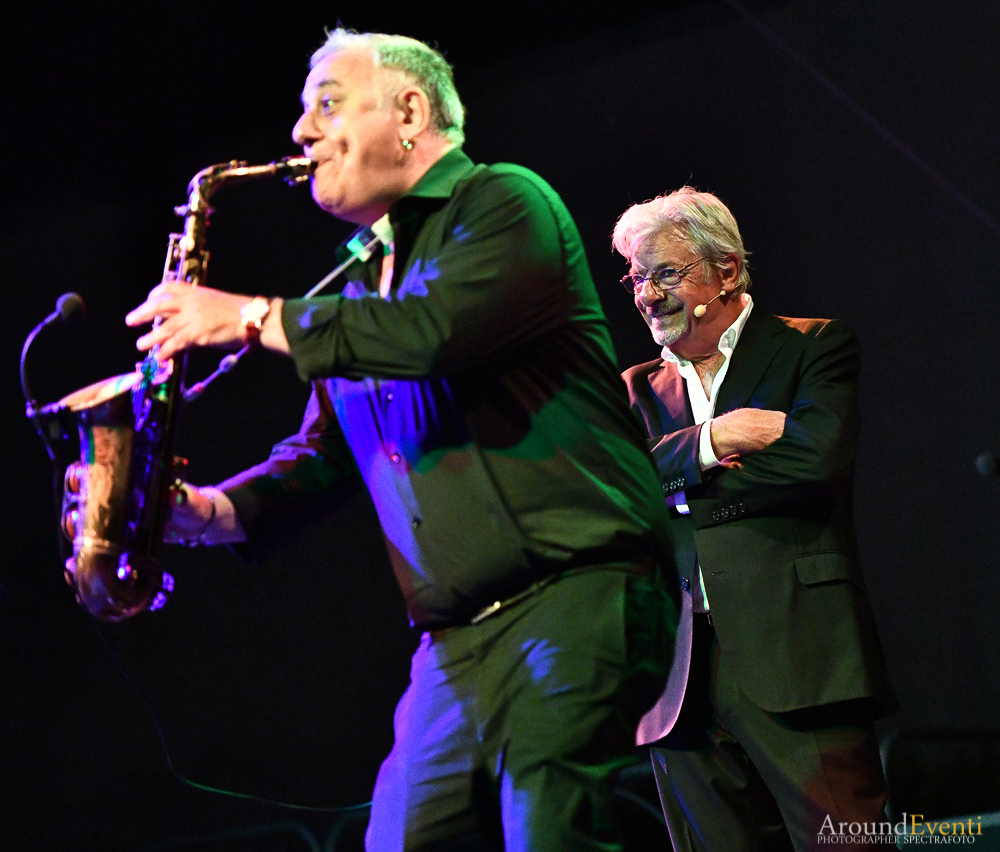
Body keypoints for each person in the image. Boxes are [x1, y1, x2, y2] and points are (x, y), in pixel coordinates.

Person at [126, 29, 678, 851]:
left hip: (577, 597)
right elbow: (323, 457)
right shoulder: (356, 284)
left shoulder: (504, 202)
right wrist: (206, 512)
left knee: (552, 831)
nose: (301, 134)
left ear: (409, 111)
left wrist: (248, 315)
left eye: (326, 104)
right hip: (452, 650)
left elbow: (435, 331)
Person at [612, 187, 896, 852]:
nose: (646, 294)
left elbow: (814, 464)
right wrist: (719, 440)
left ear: (728, 271)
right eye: (636, 276)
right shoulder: (632, 389)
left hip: (798, 654)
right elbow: (611, 494)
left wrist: (675, 485)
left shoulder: (812, 348)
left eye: (666, 273)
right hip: (676, 680)